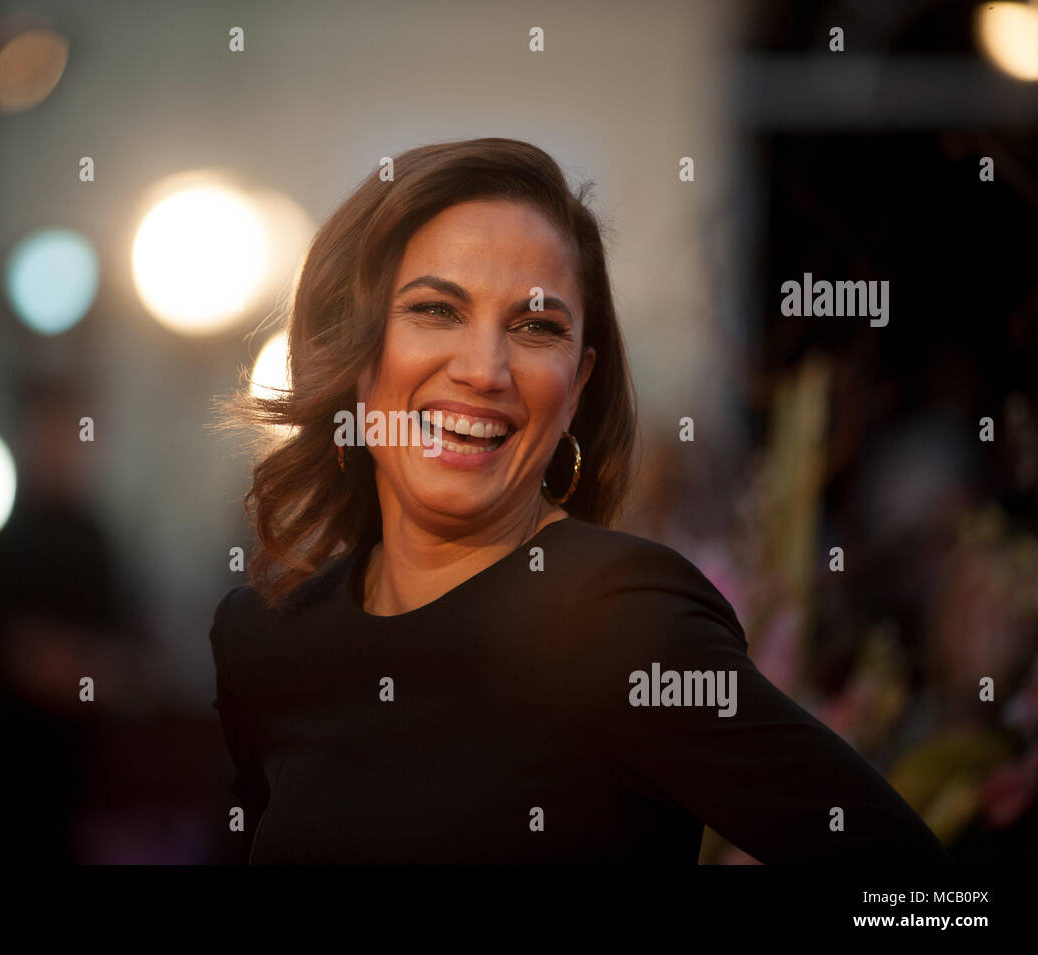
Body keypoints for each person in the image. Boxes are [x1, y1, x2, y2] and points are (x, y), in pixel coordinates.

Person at [209, 137, 949, 864]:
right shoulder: (267, 640)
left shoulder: (620, 622)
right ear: (354, 352)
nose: (484, 369)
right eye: (437, 310)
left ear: (578, 385)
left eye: (536, 327)